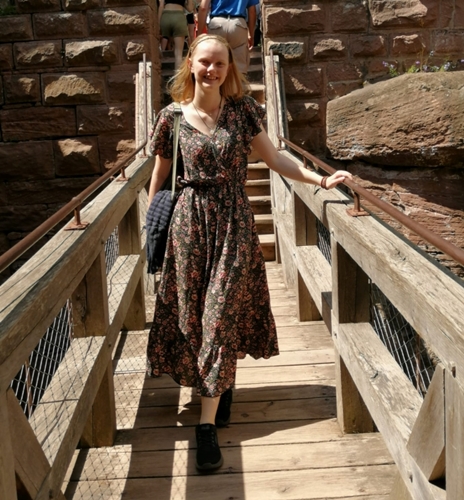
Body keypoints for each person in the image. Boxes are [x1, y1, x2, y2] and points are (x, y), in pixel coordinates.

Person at [146, 34, 352, 472]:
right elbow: (159, 177)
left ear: (229, 69)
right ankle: (219, 386)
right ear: (191, 63)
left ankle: (205, 427)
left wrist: (321, 179)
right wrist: (153, 230)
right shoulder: (171, 118)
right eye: (205, 62)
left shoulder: (243, 112)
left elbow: (276, 160)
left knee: (219, 313)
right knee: (194, 317)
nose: (212, 70)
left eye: (220, 63)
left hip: (233, 226)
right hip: (188, 227)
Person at [196, 0, 257, 74]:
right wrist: (251, 35)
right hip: (238, 25)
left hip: (217, 24)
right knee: (239, 68)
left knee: (216, 62)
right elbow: (252, 11)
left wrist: (199, 34)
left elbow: (203, 8)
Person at [159, 0, 194, 69]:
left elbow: (161, 6)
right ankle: (178, 75)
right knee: (178, 53)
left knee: (161, 43)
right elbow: (190, 9)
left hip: (166, 16)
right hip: (179, 17)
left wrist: (158, 24)